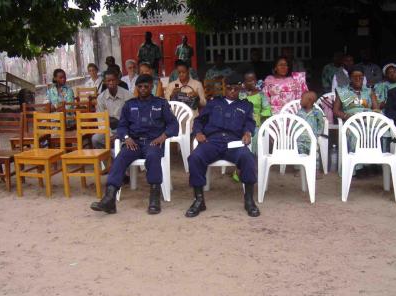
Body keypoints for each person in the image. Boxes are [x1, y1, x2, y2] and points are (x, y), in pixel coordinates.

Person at [90, 74, 179, 215]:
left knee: (153, 157)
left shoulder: (160, 104)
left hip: (153, 142)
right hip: (134, 143)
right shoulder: (129, 105)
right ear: (137, 88)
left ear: (151, 87)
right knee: (120, 158)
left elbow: (174, 124)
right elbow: (122, 126)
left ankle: (154, 198)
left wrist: (163, 136)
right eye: (140, 86)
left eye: (146, 86)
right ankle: (109, 199)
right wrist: (126, 137)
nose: (143, 89)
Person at [185, 72, 260, 218]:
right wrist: (198, 133)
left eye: (236, 89)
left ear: (240, 89)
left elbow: (250, 123)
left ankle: (249, 200)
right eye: (230, 88)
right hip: (212, 141)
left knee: (248, 157)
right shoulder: (214, 103)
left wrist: (247, 133)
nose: (232, 92)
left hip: (234, 142)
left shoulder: (246, 106)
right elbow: (199, 120)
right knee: (195, 157)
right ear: (225, 88)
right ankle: (199, 200)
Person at [93, 70, 133, 149]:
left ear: (118, 81)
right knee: (96, 139)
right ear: (104, 82)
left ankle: (119, 157)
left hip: (125, 128)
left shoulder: (128, 95)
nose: (111, 83)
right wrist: (110, 135)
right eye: (108, 81)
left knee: (125, 140)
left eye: (113, 80)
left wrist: (119, 134)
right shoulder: (101, 98)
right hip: (108, 129)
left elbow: (132, 118)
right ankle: (109, 159)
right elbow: (101, 120)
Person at [239, 71, 272, 153]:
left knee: (257, 135)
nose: (251, 83)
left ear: (256, 81)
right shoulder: (241, 94)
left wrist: (259, 117)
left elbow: (267, 109)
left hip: (257, 123)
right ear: (244, 83)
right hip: (242, 122)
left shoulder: (261, 94)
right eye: (248, 81)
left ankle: (254, 156)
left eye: (253, 80)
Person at [295, 91, 324, 174]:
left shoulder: (317, 112)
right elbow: (295, 123)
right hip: (300, 138)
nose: (300, 101)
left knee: (315, 155)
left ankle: (315, 170)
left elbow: (321, 123)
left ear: (310, 100)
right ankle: (301, 170)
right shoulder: (299, 113)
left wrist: (318, 133)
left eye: (302, 99)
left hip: (312, 138)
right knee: (299, 153)